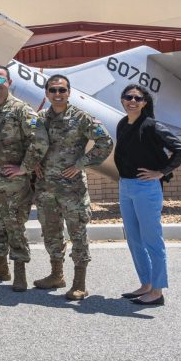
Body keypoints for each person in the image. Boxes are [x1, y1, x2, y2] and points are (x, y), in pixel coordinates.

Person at [26, 74, 113, 300]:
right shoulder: (41, 118)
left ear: (69, 92)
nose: (57, 94)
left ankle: (79, 283)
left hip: (72, 189)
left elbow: (106, 142)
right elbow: (32, 144)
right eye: (53, 90)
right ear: (46, 93)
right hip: (46, 189)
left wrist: (81, 164)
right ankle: (56, 275)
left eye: (61, 90)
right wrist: (34, 161)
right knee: (50, 232)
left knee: (78, 234)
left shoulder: (80, 118)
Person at [115, 83, 181, 306]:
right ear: (122, 99)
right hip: (125, 186)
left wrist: (161, 172)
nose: (132, 101)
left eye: (138, 98)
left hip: (146, 188)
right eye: (128, 97)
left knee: (152, 240)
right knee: (134, 240)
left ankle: (157, 291)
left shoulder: (152, 126)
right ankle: (145, 284)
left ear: (145, 103)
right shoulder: (122, 124)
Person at [0, 65, 39, 292]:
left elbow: (38, 140)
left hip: (13, 185)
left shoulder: (22, 110)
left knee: (14, 226)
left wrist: (25, 168)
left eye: (0, 80)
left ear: (9, 82)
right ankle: (0, 266)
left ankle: (20, 273)